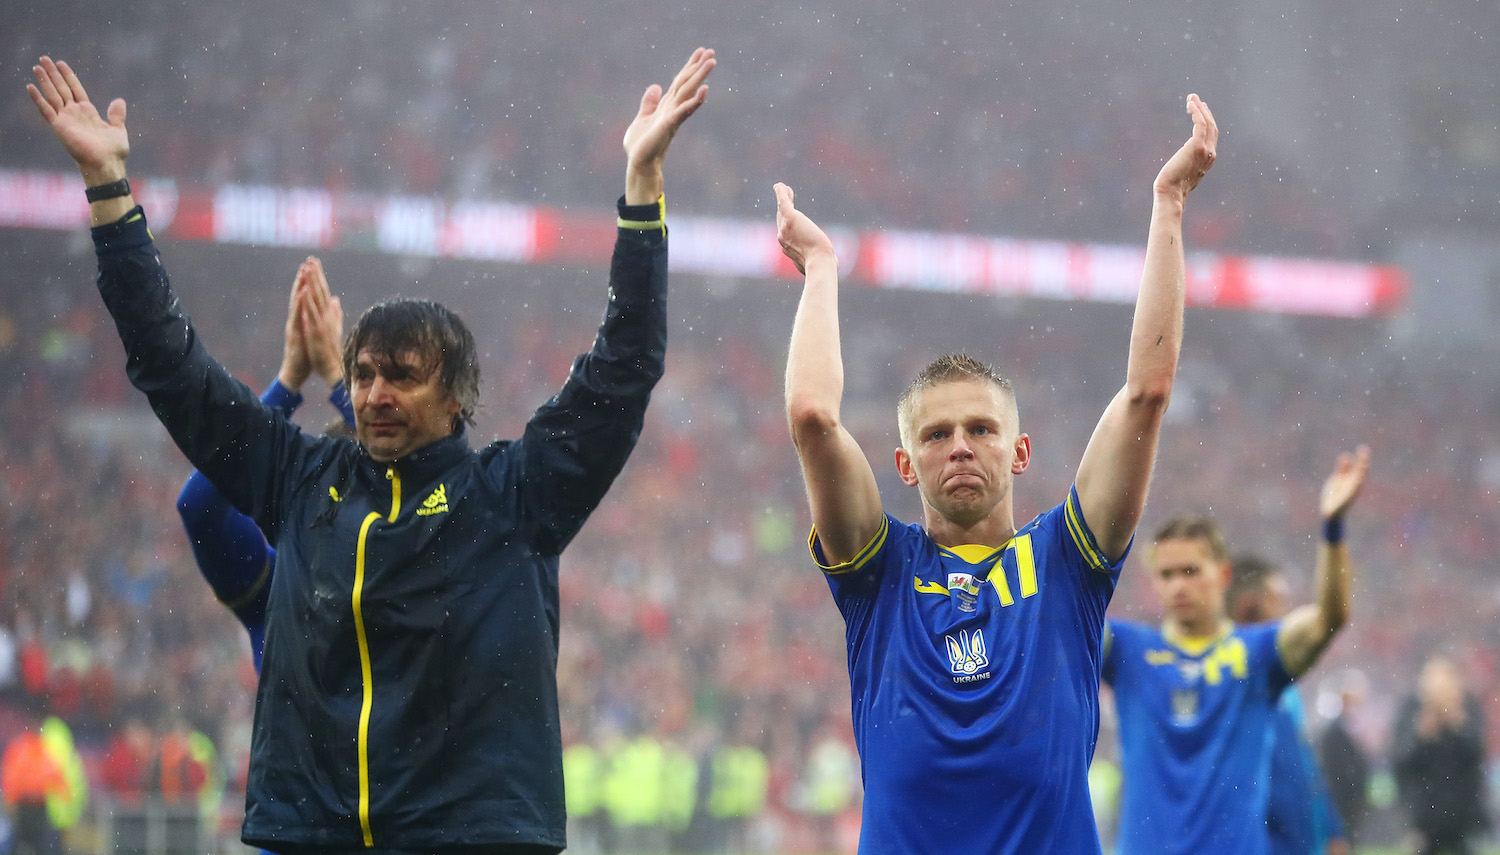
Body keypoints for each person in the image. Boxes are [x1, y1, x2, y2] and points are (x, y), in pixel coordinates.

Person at [27, 46, 714, 854]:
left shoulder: (512, 495)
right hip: (307, 833)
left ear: (456, 396)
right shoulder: (300, 477)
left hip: (469, 837)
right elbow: (170, 368)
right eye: (362, 374)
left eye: (403, 376)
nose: (375, 392)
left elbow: (625, 367)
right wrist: (110, 193)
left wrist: (642, 189)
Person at [775, 93, 1218, 854]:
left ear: (1018, 452)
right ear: (905, 462)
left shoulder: (1069, 560)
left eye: (981, 428)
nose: (959, 446)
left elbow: (1147, 390)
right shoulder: (879, 573)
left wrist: (1168, 205)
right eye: (937, 433)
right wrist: (820, 268)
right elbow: (813, 417)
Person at [1103, 445, 1370, 855]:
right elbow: (1059, 619)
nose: (1178, 585)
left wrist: (1333, 529)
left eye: (1190, 571)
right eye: (1166, 574)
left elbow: (1329, 617)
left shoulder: (1257, 653)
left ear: (1223, 574)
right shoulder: (1127, 650)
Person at [176, 255, 352, 671]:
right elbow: (197, 508)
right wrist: (288, 381)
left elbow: (422, 490)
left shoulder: (412, 576)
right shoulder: (276, 585)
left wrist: (340, 382)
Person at [1228, 553, 1350, 855]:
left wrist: (1332, 829)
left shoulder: (1284, 684)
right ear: (1248, 606)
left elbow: (1304, 766)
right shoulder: (1228, 679)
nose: (1286, 611)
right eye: (1277, 599)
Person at [1390, 655, 1487, 855]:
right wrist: (1421, 735)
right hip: (1425, 811)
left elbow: (1477, 754)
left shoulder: (1467, 706)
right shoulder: (1411, 708)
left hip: (1461, 811)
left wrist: (1459, 725)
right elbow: (1401, 759)